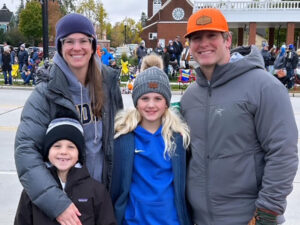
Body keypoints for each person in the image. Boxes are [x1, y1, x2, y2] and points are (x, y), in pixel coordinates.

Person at [181, 8, 298, 225]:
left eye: (212, 36)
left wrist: (267, 213)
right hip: (199, 219)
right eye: (196, 38)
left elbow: (283, 152)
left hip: (248, 218)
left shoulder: (263, 86)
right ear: (189, 45)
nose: (204, 43)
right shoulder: (190, 98)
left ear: (228, 40)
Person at [15, 13, 123, 225]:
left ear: (93, 45)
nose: (77, 47)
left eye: (83, 40)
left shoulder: (108, 85)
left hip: (99, 197)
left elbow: (116, 142)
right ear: (60, 46)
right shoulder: (45, 93)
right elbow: (26, 151)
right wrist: (58, 204)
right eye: (69, 41)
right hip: (63, 200)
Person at [110, 55, 192, 225]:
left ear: (167, 103)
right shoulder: (123, 137)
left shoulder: (178, 138)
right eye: (145, 98)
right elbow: (117, 185)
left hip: (171, 220)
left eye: (158, 98)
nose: (151, 105)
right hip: (134, 220)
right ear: (136, 102)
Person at [14, 117, 117, 225]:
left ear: (79, 154)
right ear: (47, 152)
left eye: (71, 147)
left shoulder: (97, 191)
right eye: (57, 146)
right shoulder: (33, 191)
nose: (63, 151)